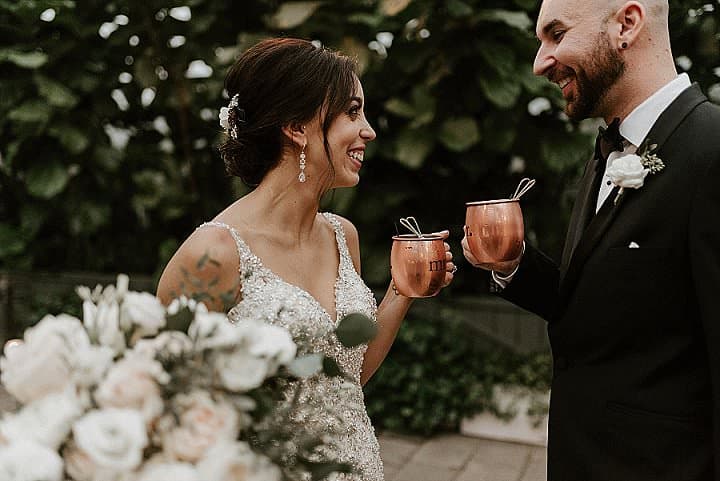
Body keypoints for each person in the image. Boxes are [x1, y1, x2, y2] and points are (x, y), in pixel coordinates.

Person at [157, 38, 455, 481]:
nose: (369, 130)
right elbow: (169, 409)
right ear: (296, 126)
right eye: (353, 112)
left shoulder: (341, 236)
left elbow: (345, 379)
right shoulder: (214, 255)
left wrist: (402, 292)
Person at [463, 1, 720, 479]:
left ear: (626, 24)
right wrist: (513, 264)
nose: (539, 62)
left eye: (556, 34)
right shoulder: (609, 148)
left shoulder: (713, 150)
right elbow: (603, 307)